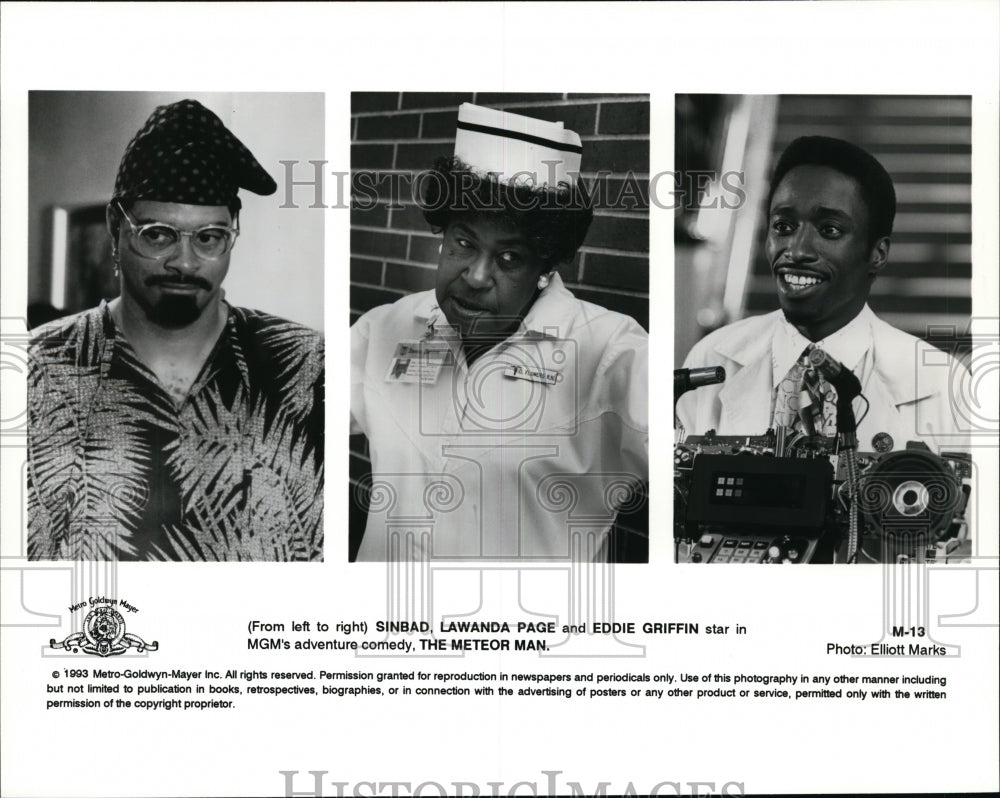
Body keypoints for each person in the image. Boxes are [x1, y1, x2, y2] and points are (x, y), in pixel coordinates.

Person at [27, 99, 324, 561]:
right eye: (158, 234)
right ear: (115, 226)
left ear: (233, 233)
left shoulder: (303, 367)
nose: (185, 263)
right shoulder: (37, 368)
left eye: (209, 238)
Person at [351, 104, 648, 561]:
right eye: (464, 243)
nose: (475, 275)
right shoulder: (384, 329)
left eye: (509, 258)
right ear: (443, 236)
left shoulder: (609, 352)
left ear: (544, 266)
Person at [676, 136, 967, 453]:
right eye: (783, 226)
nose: (797, 250)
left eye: (830, 230)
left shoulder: (943, 385)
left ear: (878, 253)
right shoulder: (712, 358)